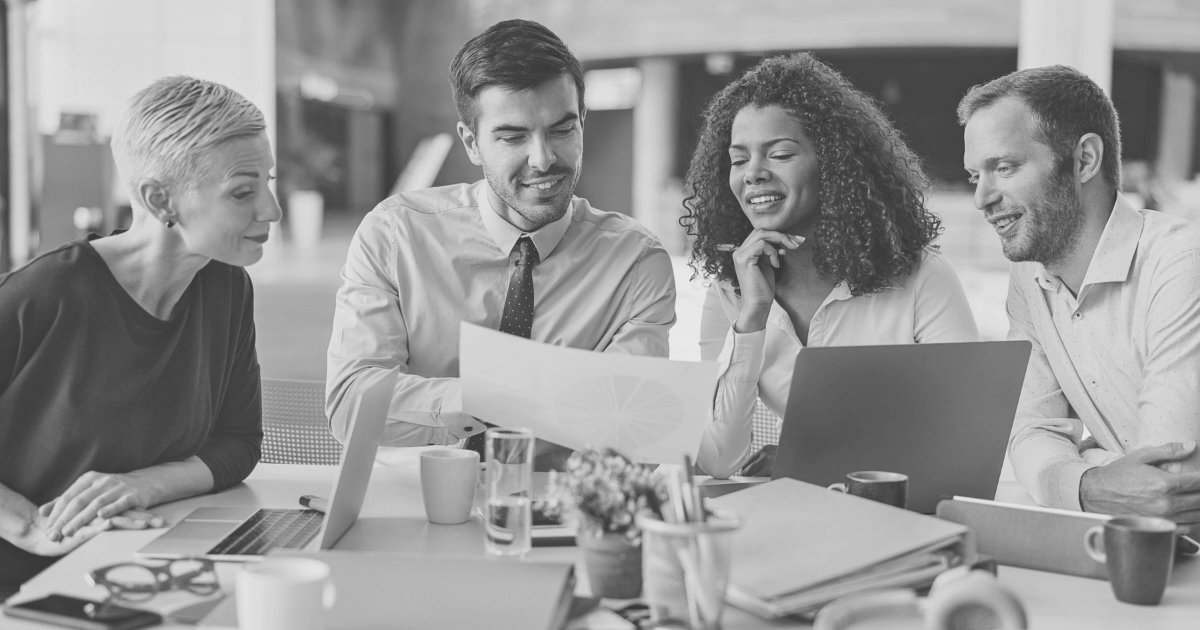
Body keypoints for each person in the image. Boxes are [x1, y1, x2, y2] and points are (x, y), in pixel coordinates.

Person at [325, 19, 675, 468]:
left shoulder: (635, 263)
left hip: (563, 509)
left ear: (583, 123)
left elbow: (629, 430)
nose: (543, 159)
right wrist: (494, 398)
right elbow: (353, 405)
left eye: (562, 130)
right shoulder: (396, 235)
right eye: (513, 137)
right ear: (471, 143)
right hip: (418, 499)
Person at [0, 76, 276, 598]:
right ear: (159, 199)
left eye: (269, 181)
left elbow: (238, 443)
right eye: (244, 191)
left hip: (136, 567)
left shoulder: (227, 287)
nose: (271, 210)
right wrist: (29, 526)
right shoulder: (43, 294)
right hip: (24, 586)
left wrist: (139, 486)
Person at [683, 53, 979, 480]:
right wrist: (752, 320)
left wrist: (808, 465)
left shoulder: (922, 280)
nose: (753, 174)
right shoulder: (731, 294)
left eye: (779, 154)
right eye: (739, 159)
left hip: (894, 521)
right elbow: (718, 460)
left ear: (835, 164)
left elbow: (963, 438)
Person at [960, 65, 1200, 521]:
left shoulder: (1181, 262)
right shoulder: (1030, 279)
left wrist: (1075, 464)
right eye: (975, 176)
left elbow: (1168, 485)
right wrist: (1091, 483)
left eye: (1004, 167)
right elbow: (1027, 432)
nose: (981, 198)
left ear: (1085, 159)